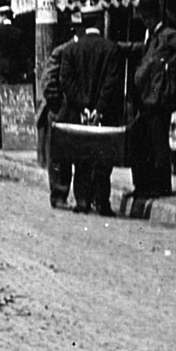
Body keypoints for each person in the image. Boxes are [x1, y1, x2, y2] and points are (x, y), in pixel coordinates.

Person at [45, 11, 124, 215]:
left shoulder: (70, 50)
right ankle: (102, 202)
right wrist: (98, 109)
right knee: (103, 159)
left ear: (82, 25)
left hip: (77, 113)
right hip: (103, 115)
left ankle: (82, 201)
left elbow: (66, 82)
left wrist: (83, 106)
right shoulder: (111, 49)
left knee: (81, 158)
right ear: (100, 22)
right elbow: (111, 83)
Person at [122, 0, 176, 200]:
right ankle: (149, 184)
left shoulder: (166, 34)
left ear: (149, 16)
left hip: (158, 97)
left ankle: (161, 185)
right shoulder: (153, 36)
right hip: (149, 96)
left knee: (158, 141)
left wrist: (170, 66)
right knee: (149, 141)